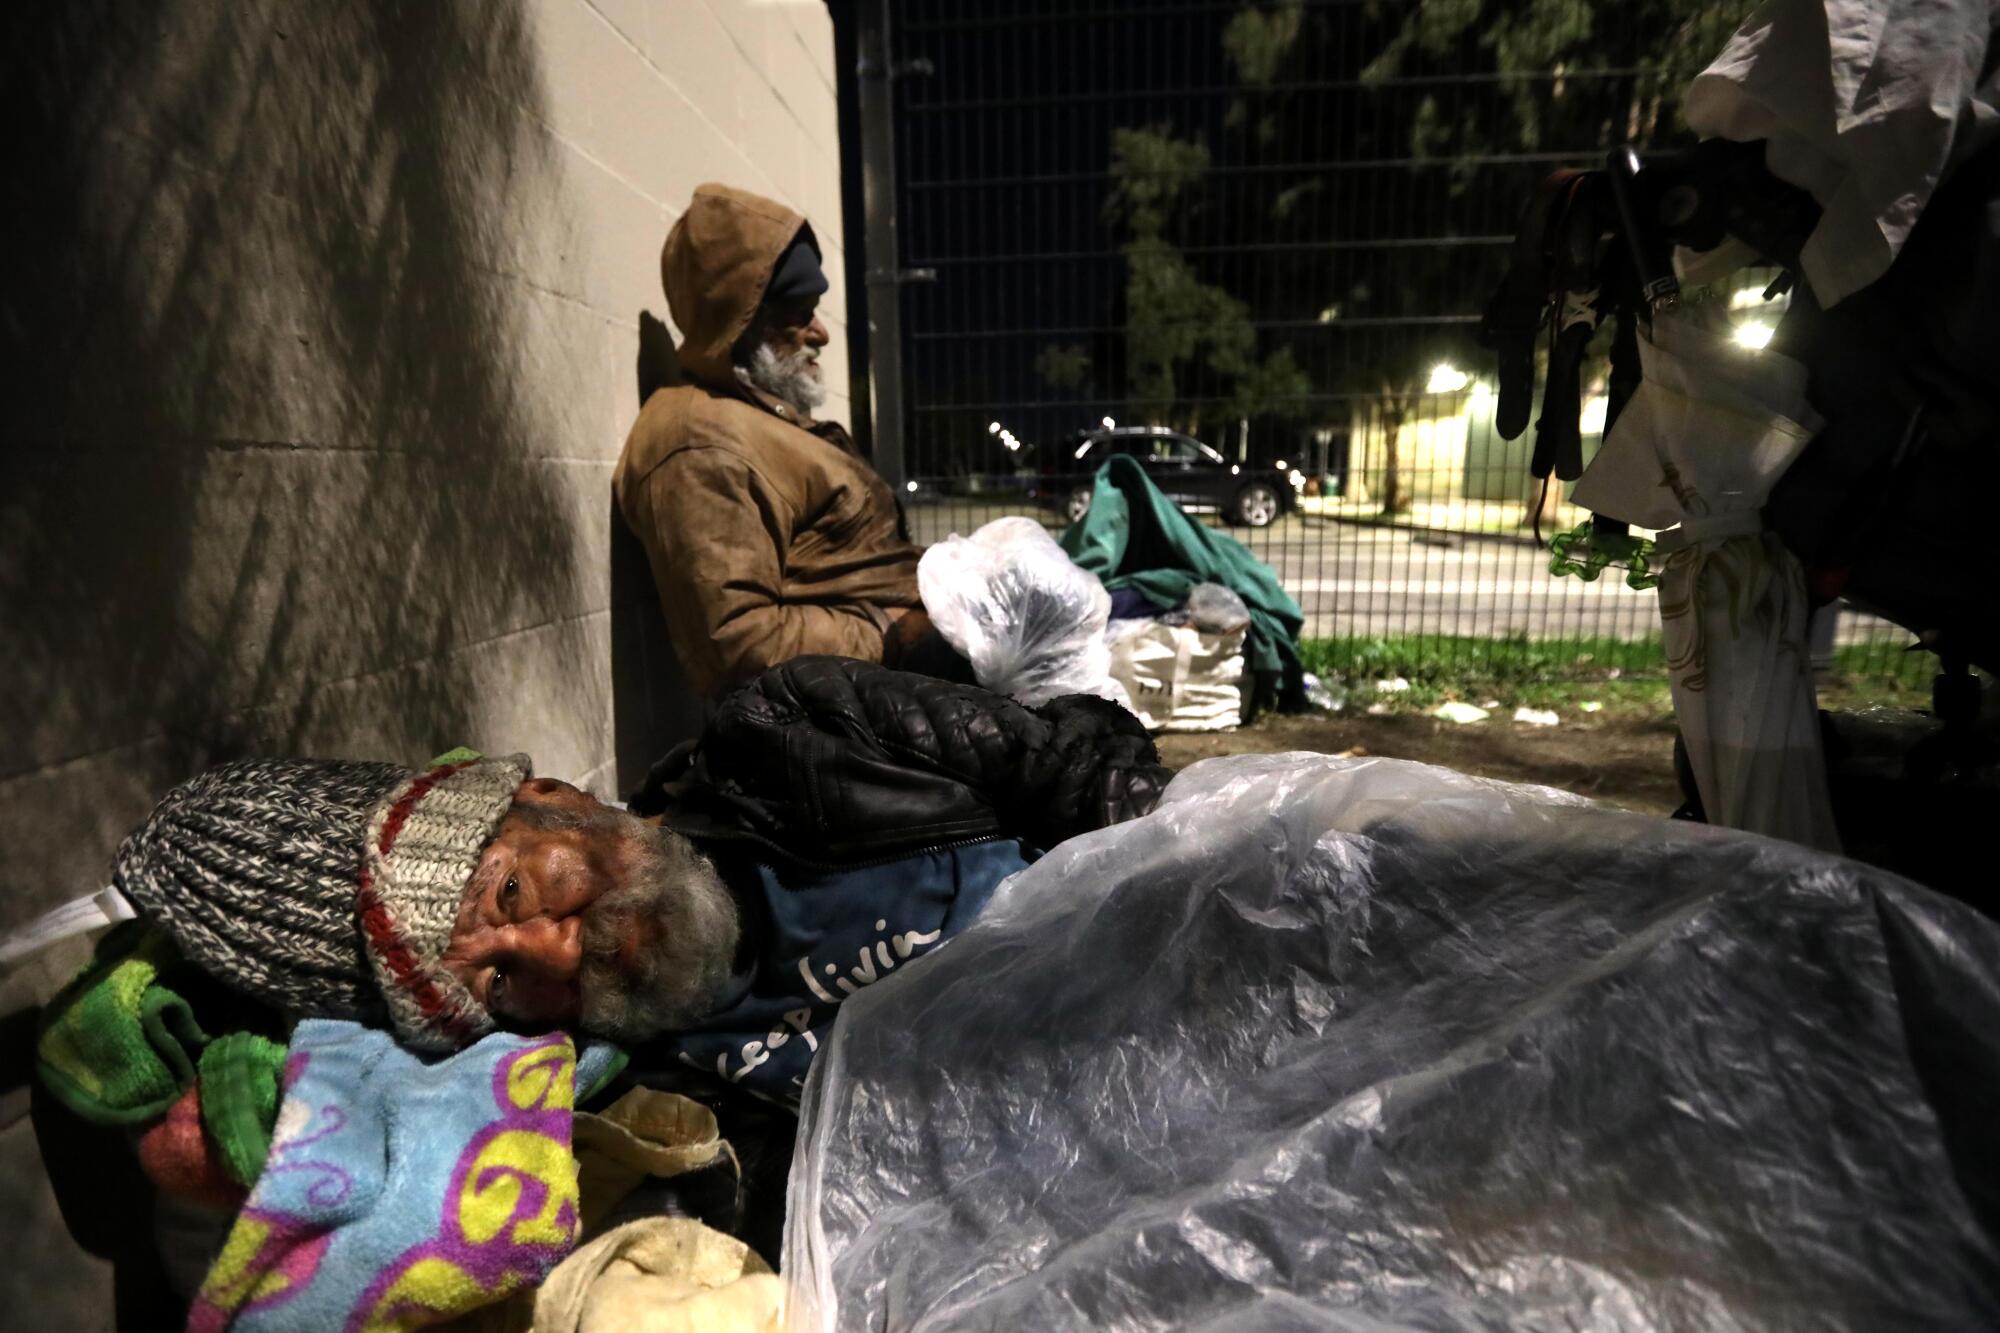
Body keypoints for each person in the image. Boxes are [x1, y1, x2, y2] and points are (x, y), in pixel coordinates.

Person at [110, 657, 1169, 1098]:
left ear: (562, 798)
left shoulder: (786, 734)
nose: (556, 949)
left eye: (511, 897)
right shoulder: (687, 1081)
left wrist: (1148, 860)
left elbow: (1076, 751)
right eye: (496, 985)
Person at [615, 184, 948, 697]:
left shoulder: (753, 416)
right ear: (745, 317)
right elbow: (738, 648)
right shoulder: (699, 444)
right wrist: (894, 629)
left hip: (900, 679)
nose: (822, 333)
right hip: (868, 711)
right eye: (801, 311)